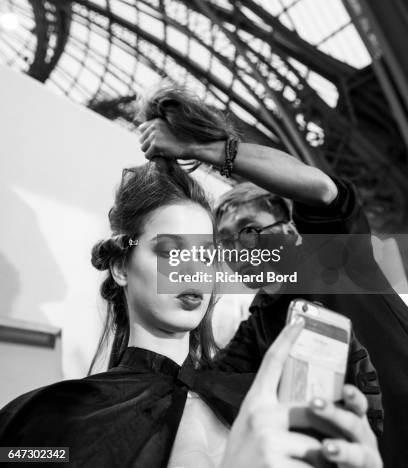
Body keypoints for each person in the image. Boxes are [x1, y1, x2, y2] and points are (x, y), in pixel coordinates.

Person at [0, 125, 381, 467]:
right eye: (170, 252)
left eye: (206, 255)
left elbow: (326, 197)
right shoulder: (43, 417)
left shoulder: (267, 395)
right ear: (120, 267)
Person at [137, 86, 408, 468]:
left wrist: (201, 149)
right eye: (227, 242)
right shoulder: (259, 325)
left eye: (250, 228)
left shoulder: (335, 258)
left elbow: (320, 189)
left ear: (292, 229)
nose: (242, 249)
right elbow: (199, 385)